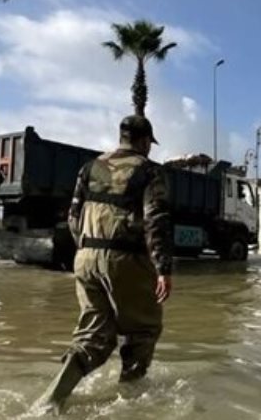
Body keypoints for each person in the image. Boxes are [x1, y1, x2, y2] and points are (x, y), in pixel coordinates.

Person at [41, 115, 174, 413]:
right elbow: (156, 220)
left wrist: (89, 250)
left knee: (92, 337)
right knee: (142, 331)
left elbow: (73, 217)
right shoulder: (150, 171)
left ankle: (50, 401)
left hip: (85, 258)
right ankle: (130, 402)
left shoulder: (89, 167)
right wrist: (163, 269)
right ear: (144, 141)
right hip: (126, 258)